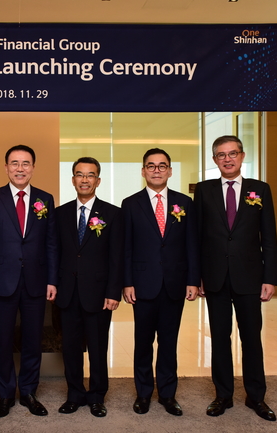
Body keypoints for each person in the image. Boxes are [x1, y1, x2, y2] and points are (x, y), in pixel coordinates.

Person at [194, 135, 277, 422]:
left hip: (250, 277)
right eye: (221, 155)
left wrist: (270, 277)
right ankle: (223, 395)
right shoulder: (204, 191)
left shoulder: (260, 189)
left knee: (251, 338)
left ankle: (256, 396)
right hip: (215, 276)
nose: (227, 159)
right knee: (220, 338)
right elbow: (196, 237)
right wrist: (197, 276)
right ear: (214, 160)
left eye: (232, 153)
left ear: (242, 156)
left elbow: (269, 236)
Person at [0, 144, 58, 418]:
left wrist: (52, 280)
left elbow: (51, 244)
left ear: (33, 168)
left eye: (25, 163)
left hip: (36, 280)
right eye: (15, 163)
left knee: (33, 340)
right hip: (1, 281)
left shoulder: (45, 199)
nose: (20, 168)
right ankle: (6, 394)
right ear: (6, 167)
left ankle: (29, 392)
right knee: (1, 341)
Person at [121, 148, 200, 417]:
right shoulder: (130, 204)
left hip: (174, 283)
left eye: (162, 165)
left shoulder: (184, 203)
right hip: (142, 284)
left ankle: (167, 394)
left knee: (168, 342)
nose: (157, 170)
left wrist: (192, 280)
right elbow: (126, 247)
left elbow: (192, 244)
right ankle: (143, 393)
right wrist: (127, 282)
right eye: (151, 166)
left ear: (170, 171)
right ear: (143, 171)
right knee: (143, 342)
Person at [55, 157, 123, 418]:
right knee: (70, 349)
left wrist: (113, 292)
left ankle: (96, 396)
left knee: (97, 348)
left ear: (98, 180)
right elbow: (55, 253)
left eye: (90, 175)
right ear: (73, 180)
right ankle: (74, 394)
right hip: (67, 292)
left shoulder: (113, 214)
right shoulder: (60, 214)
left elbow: (117, 257)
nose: (84, 180)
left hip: (98, 293)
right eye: (79, 174)